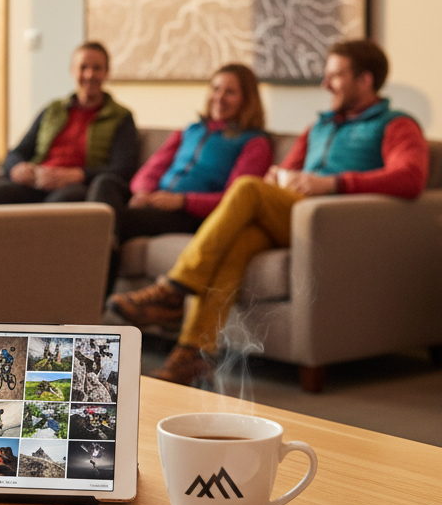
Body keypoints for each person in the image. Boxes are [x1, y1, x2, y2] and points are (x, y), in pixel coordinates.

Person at [109, 41, 429, 385]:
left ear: (365, 80)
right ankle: (192, 354)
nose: (326, 84)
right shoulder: (318, 126)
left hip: (334, 223)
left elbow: (410, 178)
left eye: (335, 76)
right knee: (240, 241)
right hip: (294, 215)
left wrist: (333, 184)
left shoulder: (396, 124)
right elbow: (281, 170)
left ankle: (175, 287)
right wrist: (280, 176)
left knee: (247, 187)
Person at [93, 64, 272, 292]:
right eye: (216, 89)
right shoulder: (190, 130)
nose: (219, 97)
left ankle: (92, 298)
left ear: (248, 100)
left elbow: (235, 200)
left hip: (188, 215)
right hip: (154, 200)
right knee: (105, 183)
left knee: (109, 222)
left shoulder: (254, 142)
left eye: (230, 92)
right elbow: (150, 170)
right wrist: (144, 193)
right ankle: (104, 244)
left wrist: (182, 201)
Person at [0, 41, 138, 204]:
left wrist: (77, 175)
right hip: (38, 181)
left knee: (61, 203)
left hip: (77, 186)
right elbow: (17, 152)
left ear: (106, 73)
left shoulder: (121, 116)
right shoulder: (52, 110)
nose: (89, 75)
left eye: (97, 68)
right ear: (72, 71)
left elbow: (123, 168)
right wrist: (17, 168)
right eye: (83, 68)